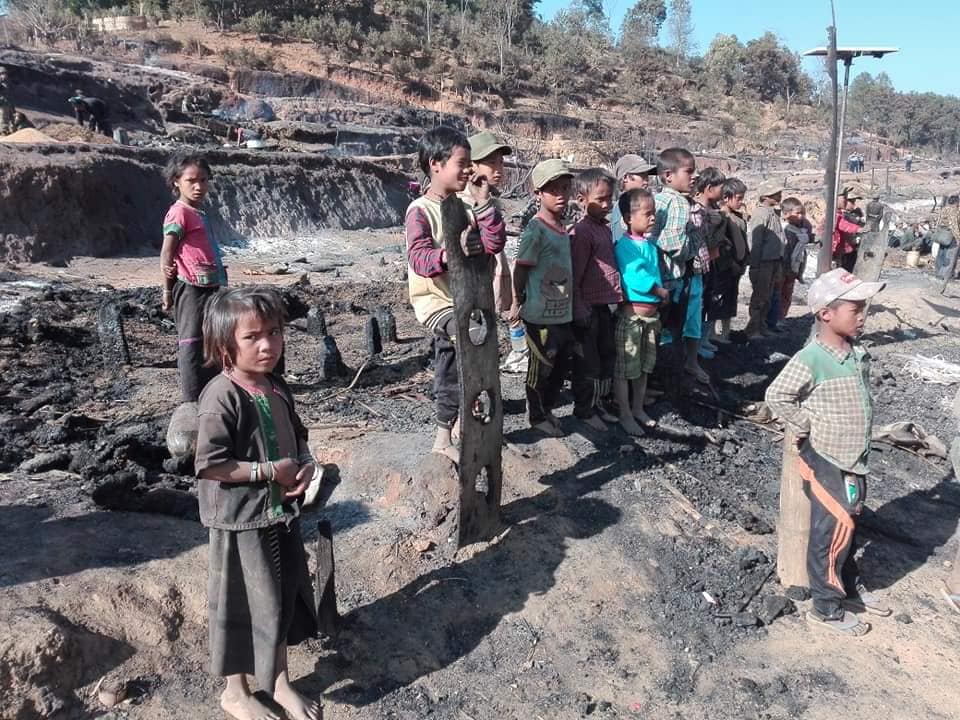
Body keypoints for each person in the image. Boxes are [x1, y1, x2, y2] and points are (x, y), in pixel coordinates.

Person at [194, 286, 322, 720]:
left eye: (274, 332)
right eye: (252, 337)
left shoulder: (276, 386)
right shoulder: (221, 397)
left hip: (279, 516)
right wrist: (270, 472)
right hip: (240, 522)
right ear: (224, 346)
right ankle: (235, 692)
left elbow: (298, 435)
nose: (268, 345)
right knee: (242, 605)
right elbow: (210, 464)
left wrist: (305, 464)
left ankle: (279, 681)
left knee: (280, 600)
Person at [766, 268, 889, 636]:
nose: (863, 316)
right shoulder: (812, 358)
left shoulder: (855, 352)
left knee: (847, 524)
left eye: (864, 308)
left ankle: (848, 588)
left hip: (853, 458)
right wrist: (807, 424)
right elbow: (777, 395)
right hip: (827, 459)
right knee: (830, 531)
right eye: (855, 309)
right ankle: (826, 607)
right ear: (826, 314)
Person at [406, 126, 506, 461]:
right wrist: (452, 254)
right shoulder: (420, 210)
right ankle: (442, 436)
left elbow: (494, 243)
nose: (468, 170)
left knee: (475, 355)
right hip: (437, 302)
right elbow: (419, 258)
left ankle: (467, 424)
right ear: (435, 164)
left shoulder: (466, 206)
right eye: (461, 164)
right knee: (454, 363)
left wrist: (484, 203)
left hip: (467, 298)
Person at [511, 159, 576, 437]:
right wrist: (517, 301)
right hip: (540, 314)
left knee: (559, 367)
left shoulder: (562, 228)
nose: (561, 195)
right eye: (553, 190)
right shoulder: (536, 230)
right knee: (540, 368)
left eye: (565, 188)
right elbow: (521, 269)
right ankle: (536, 415)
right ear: (537, 193)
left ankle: (547, 409)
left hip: (562, 312)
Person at [160, 152, 227, 402]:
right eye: (191, 181)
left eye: (203, 180)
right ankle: (192, 397)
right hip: (191, 287)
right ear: (176, 182)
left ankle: (212, 390)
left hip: (210, 284)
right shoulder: (178, 213)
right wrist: (167, 291)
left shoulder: (197, 212)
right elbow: (167, 253)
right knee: (191, 340)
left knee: (212, 335)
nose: (198, 186)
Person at [466, 130, 526, 373]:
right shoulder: (466, 204)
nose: (499, 169)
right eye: (491, 163)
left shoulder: (489, 200)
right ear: (471, 165)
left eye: (500, 162)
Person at [613, 188, 669, 436]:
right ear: (628, 218)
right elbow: (635, 276)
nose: (653, 217)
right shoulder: (625, 246)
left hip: (650, 318)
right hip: (632, 318)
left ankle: (637, 408)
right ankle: (625, 412)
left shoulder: (649, 245)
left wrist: (659, 295)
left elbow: (654, 272)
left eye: (653, 213)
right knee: (626, 368)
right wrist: (658, 291)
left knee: (644, 366)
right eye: (647, 213)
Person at [570, 168, 622, 431]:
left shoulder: (603, 228)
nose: (607, 204)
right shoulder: (582, 232)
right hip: (588, 307)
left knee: (605, 356)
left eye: (609, 198)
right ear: (582, 200)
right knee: (588, 362)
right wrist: (579, 308)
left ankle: (599, 403)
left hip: (604, 306)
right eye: (600, 199)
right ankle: (585, 409)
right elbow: (576, 274)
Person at [651, 147, 708, 383]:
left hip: (656, 279)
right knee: (673, 331)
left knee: (656, 334)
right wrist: (694, 243)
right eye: (689, 171)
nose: (695, 176)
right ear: (668, 175)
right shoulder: (678, 203)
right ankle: (670, 379)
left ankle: (655, 378)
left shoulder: (658, 199)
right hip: (672, 281)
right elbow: (674, 244)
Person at [744, 180, 785, 339]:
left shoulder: (772, 213)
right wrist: (755, 265)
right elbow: (756, 241)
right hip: (763, 262)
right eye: (775, 194)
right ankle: (753, 329)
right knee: (760, 297)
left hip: (773, 260)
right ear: (765, 196)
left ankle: (762, 326)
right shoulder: (760, 214)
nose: (779, 196)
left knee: (767, 296)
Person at [692, 167, 727, 356]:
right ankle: (695, 345)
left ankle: (703, 340)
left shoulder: (713, 210)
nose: (723, 191)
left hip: (712, 262)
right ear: (709, 188)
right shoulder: (698, 211)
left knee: (709, 302)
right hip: (700, 265)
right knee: (700, 305)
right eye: (721, 187)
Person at [712, 178, 749, 344]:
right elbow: (721, 245)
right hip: (724, 267)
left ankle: (725, 333)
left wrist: (743, 262)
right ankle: (713, 334)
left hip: (736, 267)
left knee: (730, 300)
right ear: (726, 197)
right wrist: (730, 263)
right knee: (719, 300)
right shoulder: (721, 217)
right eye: (738, 198)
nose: (741, 202)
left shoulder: (738, 218)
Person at [777, 197, 813, 322]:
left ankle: (782, 318)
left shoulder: (803, 228)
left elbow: (808, 237)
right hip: (782, 266)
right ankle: (775, 319)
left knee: (787, 293)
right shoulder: (784, 229)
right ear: (786, 214)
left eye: (802, 213)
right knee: (778, 293)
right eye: (797, 213)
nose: (800, 216)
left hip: (794, 267)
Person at [609, 154, 657, 234]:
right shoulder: (623, 207)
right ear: (625, 177)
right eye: (642, 176)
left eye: (647, 176)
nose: (646, 181)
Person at [0, 67, 15, 136]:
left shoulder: (7, 83)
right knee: (3, 117)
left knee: (11, 117)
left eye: (5, 73)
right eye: (2, 73)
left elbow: (9, 94)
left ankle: (11, 129)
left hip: (8, 102)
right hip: (2, 103)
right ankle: (3, 130)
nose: (5, 75)